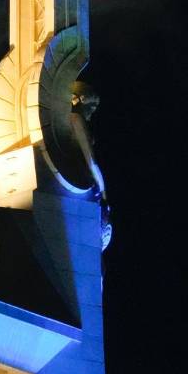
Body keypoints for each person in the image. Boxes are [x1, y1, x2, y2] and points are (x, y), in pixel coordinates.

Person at [69, 81, 112, 251]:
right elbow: (91, 160)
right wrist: (103, 190)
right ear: (79, 100)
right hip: (85, 181)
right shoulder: (76, 119)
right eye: (91, 108)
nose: (92, 113)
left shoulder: (64, 120)